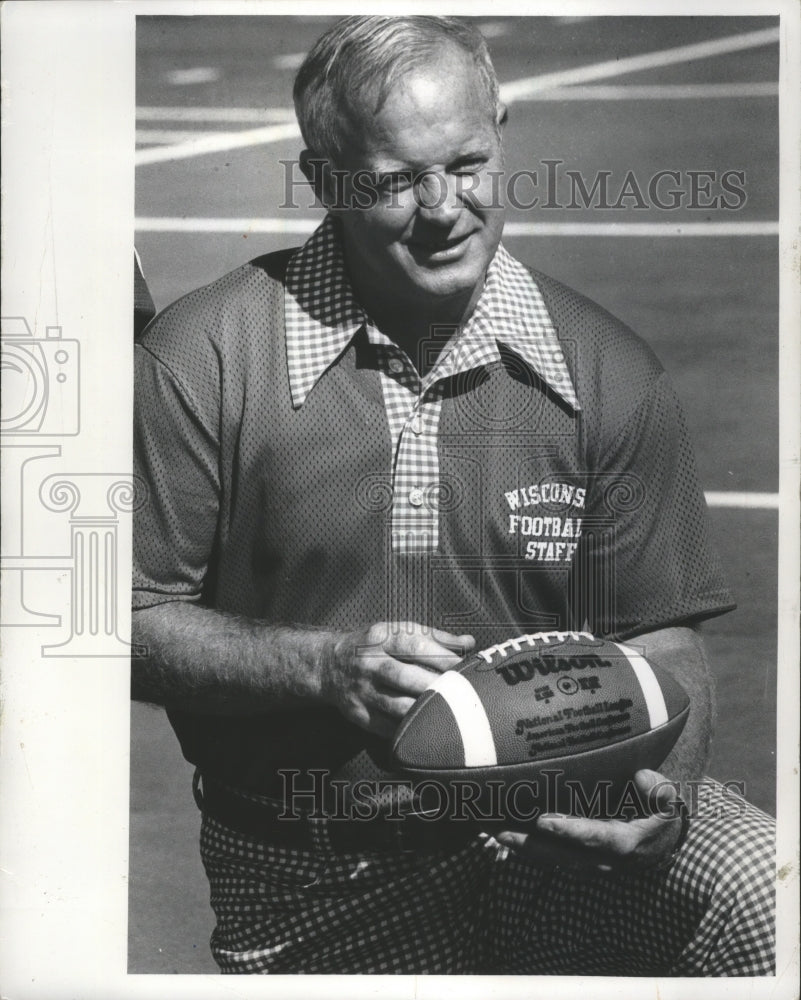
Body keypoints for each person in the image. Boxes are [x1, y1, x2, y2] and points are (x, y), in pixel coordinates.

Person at [132, 15, 774, 976]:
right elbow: (116, 625)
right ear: (323, 179)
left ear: (502, 132)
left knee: (764, 888)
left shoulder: (605, 368)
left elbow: (658, 635)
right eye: (394, 181)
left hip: (553, 827)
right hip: (319, 877)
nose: (444, 208)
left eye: (468, 163)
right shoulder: (204, 356)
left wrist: (664, 801)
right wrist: (320, 668)